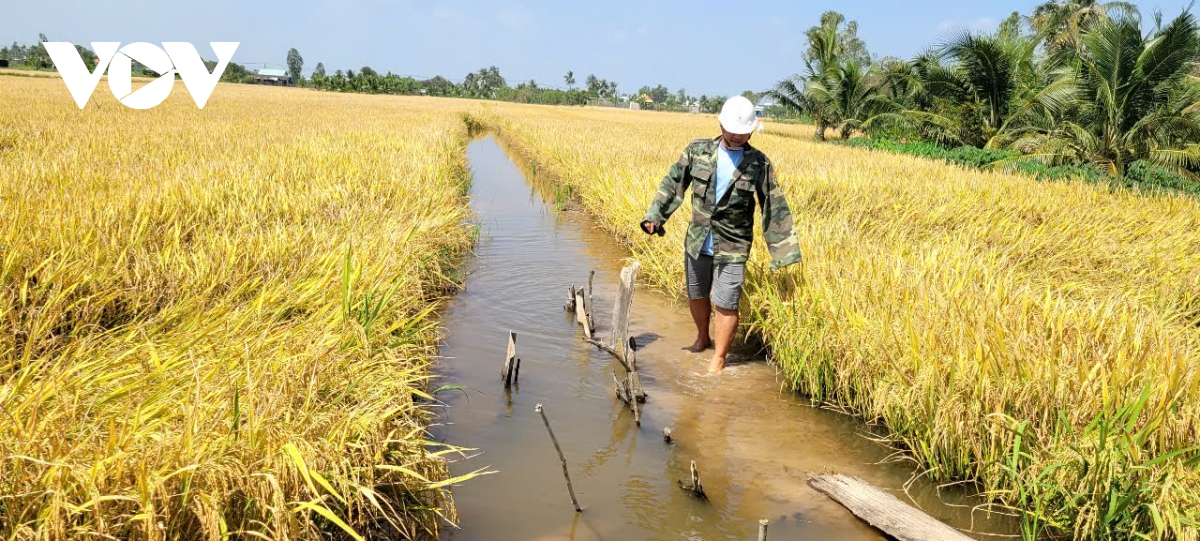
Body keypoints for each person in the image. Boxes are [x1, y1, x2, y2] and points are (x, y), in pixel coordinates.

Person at [639, 95, 801, 373]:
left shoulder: (759, 164)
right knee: (696, 294)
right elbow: (673, 183)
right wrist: (655, 216)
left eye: (744, 132)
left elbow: (774, 206)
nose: (738, 136)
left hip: (734, 245)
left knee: (726, 302)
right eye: (733, 130)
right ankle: (702, 337)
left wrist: (784, 251)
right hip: (698, 240)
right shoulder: (697, 151)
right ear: (721, 124)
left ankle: (719, 358)